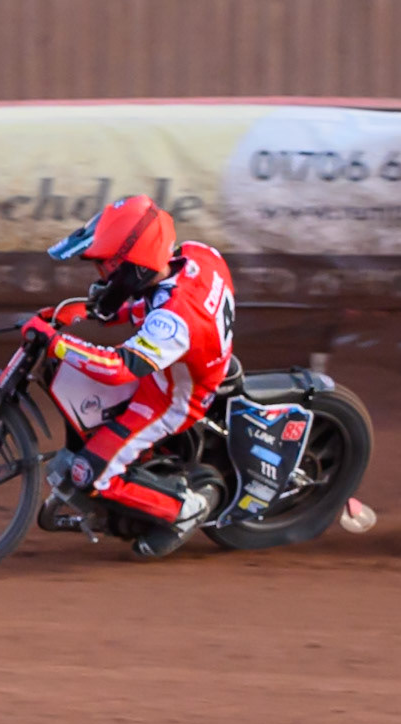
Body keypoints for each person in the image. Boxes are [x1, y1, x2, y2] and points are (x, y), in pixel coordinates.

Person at [21, 194, 238, 558]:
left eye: (106, 267)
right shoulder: (199, 255)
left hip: (171, 398)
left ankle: (184, 510)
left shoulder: (173, 322)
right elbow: (154, 298)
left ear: (134, 267)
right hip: (191, 358)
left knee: (88, 475)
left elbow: (118, 368)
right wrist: (105, 308)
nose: (101, 274)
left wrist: (56, 343)